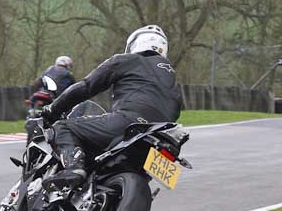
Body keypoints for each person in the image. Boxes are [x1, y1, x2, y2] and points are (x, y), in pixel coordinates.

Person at [40, 25, 182, 189]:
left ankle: (74, 168)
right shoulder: (172, 79)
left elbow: (86, 86)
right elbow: (175, 111)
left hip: (130, 123)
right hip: (161, 136)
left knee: (62, 127)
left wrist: (53, 109)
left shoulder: (127, 60)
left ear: (136, 44)